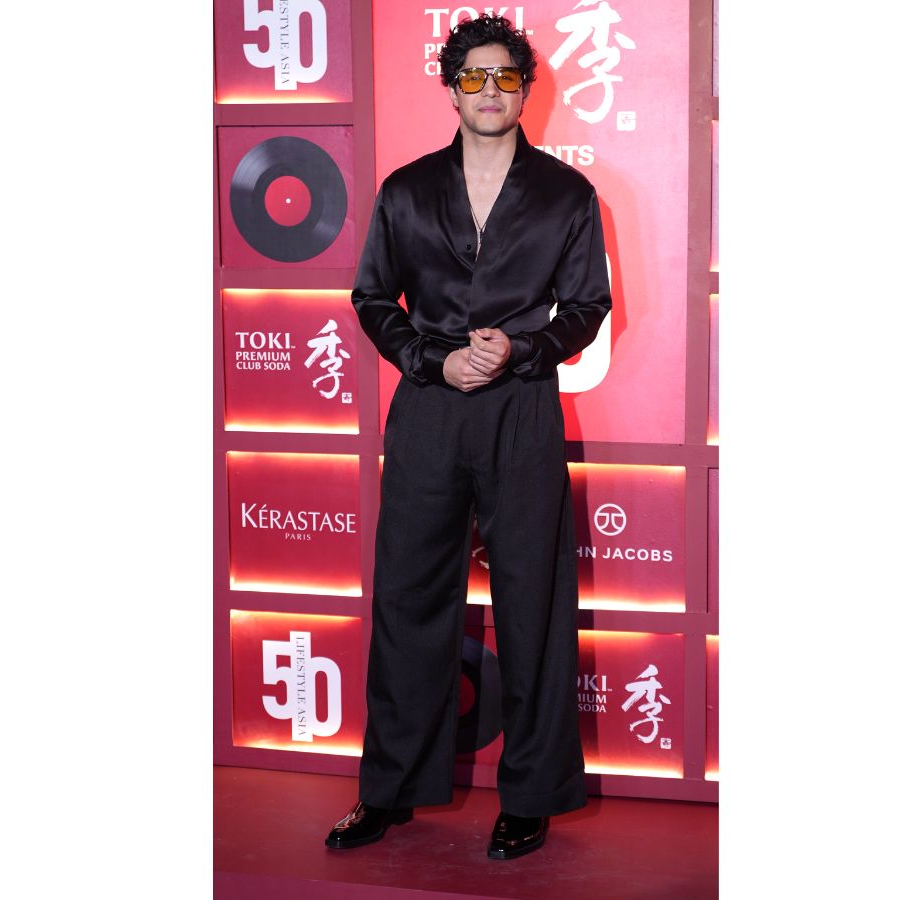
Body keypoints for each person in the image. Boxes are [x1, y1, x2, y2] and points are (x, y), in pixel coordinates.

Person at [325, 13, 612, 861]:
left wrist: (524, 349)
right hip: (429, 406)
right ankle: (388, 789)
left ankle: (531, 796)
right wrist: (431, 359)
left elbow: (588, 306)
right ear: (451, 89)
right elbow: (372, 296)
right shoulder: (406, 190)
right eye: (474, 77)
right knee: (408, 596)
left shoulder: (566, 195)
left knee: (534, 603)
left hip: (521, 407)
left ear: (524, 90)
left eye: (505, 77)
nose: (490, 90)